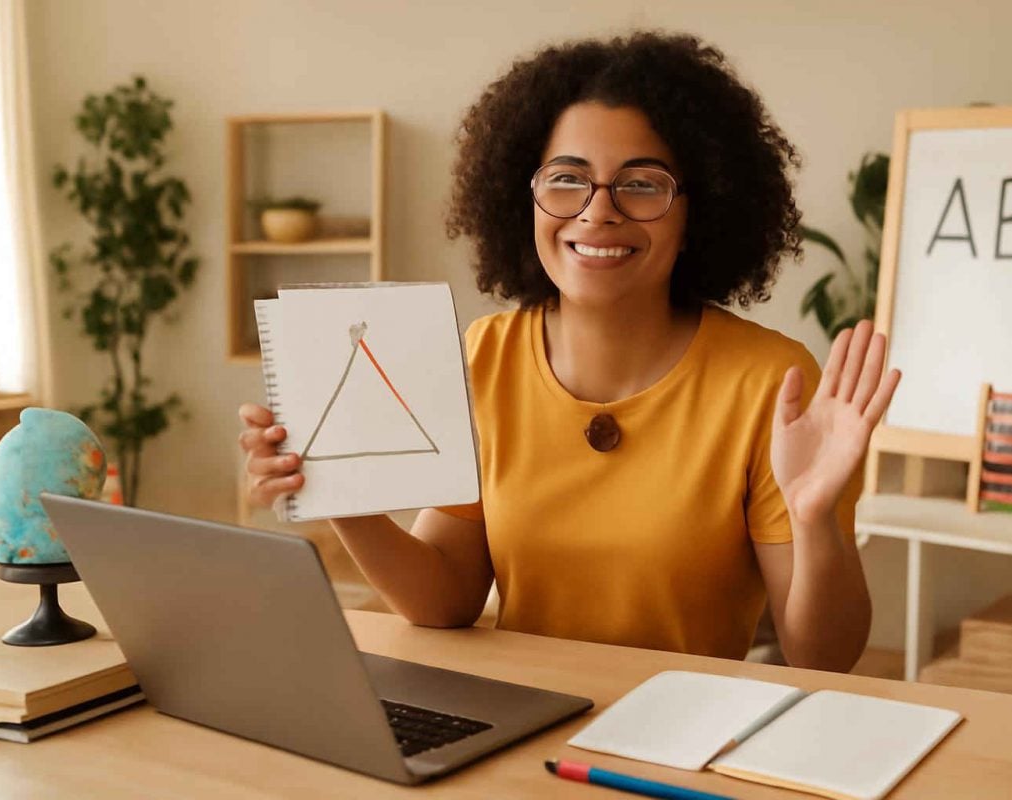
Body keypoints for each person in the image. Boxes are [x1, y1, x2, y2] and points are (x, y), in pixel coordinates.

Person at [238, 31, 899, 672]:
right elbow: (445, 599)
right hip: (524, 719)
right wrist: (338, 489)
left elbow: (823, 656)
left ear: (697, 210)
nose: (597, 212)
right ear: (521, 197)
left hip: (684, 727)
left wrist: (814, 521)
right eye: (566, 179)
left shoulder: (769, 383)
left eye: (642, 184)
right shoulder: (486, 355)